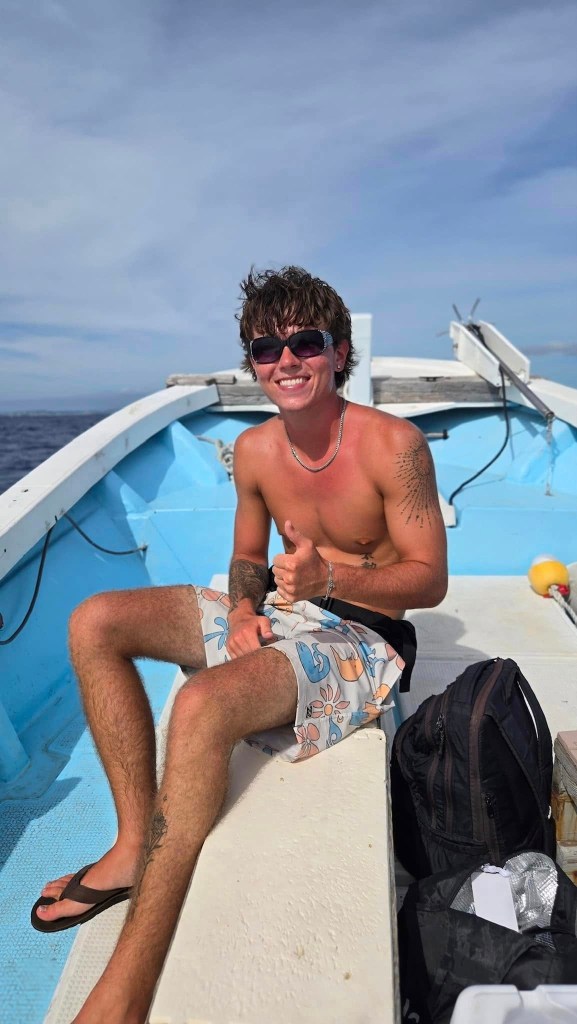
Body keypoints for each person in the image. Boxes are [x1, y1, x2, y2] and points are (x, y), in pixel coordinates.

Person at [31, 266, 448, 1023]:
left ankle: (127, 982)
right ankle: (131, 845)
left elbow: (427, 583)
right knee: (94, 619)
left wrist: (331, 579)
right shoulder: (254, 450)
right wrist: (246, 607)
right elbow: (247, 558)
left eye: (304, 343)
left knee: (200, 703)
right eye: (265, 349)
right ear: (252, 364)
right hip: (286, 612)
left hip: (364, 633)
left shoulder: (396, 447)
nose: (284, 361)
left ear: (338, 351)